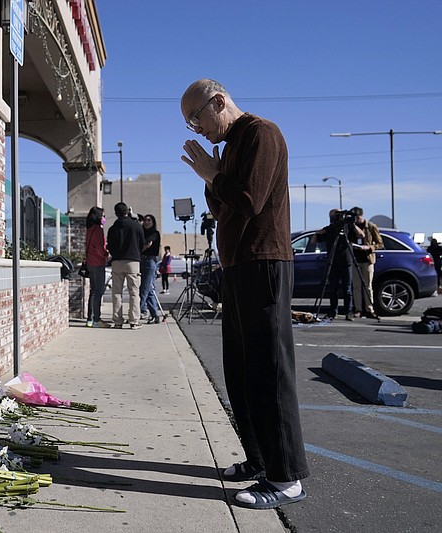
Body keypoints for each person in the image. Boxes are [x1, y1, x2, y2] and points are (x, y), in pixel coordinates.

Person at [180, 79, 309, 509]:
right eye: (189, 123)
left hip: (264, 263)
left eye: (196, 118)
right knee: (240, 371)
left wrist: (214, 175)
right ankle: (259, 461)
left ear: (219, 102)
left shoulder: (260, 133)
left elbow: (250, 200)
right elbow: (223, 209)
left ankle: (286, 477)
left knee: (269, 371)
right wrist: (211, 179)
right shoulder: (231, 146)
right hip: (237, 267)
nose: (196, 129)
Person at [106, 202, 144, 330]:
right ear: (127, 211)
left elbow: (109, 246)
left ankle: (118, 321)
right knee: (134, 292)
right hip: (133, 261)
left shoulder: (112, 229)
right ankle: (134, 320)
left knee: (117, 292)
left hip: (117, 261)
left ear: (116, 213)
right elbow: (141, 243)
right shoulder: (136, 226)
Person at [315, 209, 356, 321]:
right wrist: (321, 231)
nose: (339, 217)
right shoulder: (329, 229)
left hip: (346, 261)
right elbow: (315, 240)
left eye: (340, 215)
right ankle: (333, 312)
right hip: (333, 262)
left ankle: (349, 312)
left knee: (347, 289)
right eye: (336, 215)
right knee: (333, 289)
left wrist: (351, 223)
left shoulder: (348, 227)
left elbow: (360, 235)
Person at [349, 207, 383, 319]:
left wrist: (369, 247)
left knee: (367, 286)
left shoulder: (371, 227)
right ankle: (358, 309)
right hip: (355, 260)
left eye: (358, 217)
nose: (356, 220)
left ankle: (370, 309)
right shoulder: (351, 227)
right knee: (356, 286)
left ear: (362, 216)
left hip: (367, 260)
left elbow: (380, 244)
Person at [84, 207, 110, 328]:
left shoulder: (89, 229)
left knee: (93, 291)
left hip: (90, 263)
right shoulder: (98, 230)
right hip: (98, 263)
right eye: (103, 216)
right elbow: (100, 248)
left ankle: (90, 318)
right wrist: (106, 255)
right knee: (98, 292)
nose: (104, 218)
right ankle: (96, 319)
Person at [140, 214, 161, 324]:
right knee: (149, 289)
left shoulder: (154, 234)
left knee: (144, 288)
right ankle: (154, 315)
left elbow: (148, 244)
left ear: (153, 222)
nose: (146, 222)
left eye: (149, 220)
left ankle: (138, 310)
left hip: (150, 262)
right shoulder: (141, 232)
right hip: (141, 261)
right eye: (145, 220)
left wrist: (140, 249)